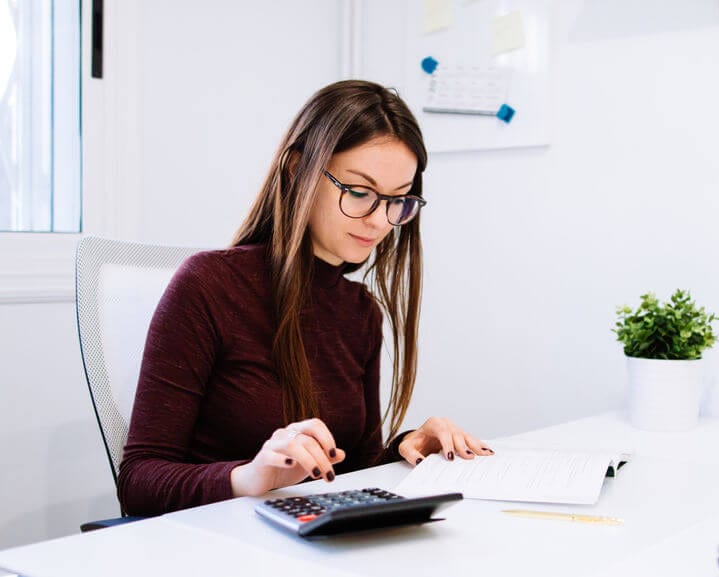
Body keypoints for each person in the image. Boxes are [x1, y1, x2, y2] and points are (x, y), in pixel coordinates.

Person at [118, 80, 493, 517]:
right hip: (216, 541)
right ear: (298, 170)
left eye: (397, 200)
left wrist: (407, 447)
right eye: (358, 192)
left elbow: (350, 468)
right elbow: (139, 481)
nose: (380, 221)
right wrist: (251, 476)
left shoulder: (360, 312)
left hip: (312, 544)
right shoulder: (209, 284)